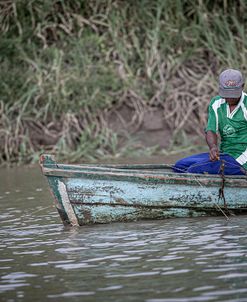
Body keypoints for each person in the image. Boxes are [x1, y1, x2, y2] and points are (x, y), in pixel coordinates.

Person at [173, 68, 247, 175]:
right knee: (180, 166)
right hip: (226, 154)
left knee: (194, 170)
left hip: (243, 159)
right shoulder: (216, 103)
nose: (230, 98)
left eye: (233, 94)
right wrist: (213, 147)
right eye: (226, 94)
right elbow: (211, 130)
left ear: (242, 87)